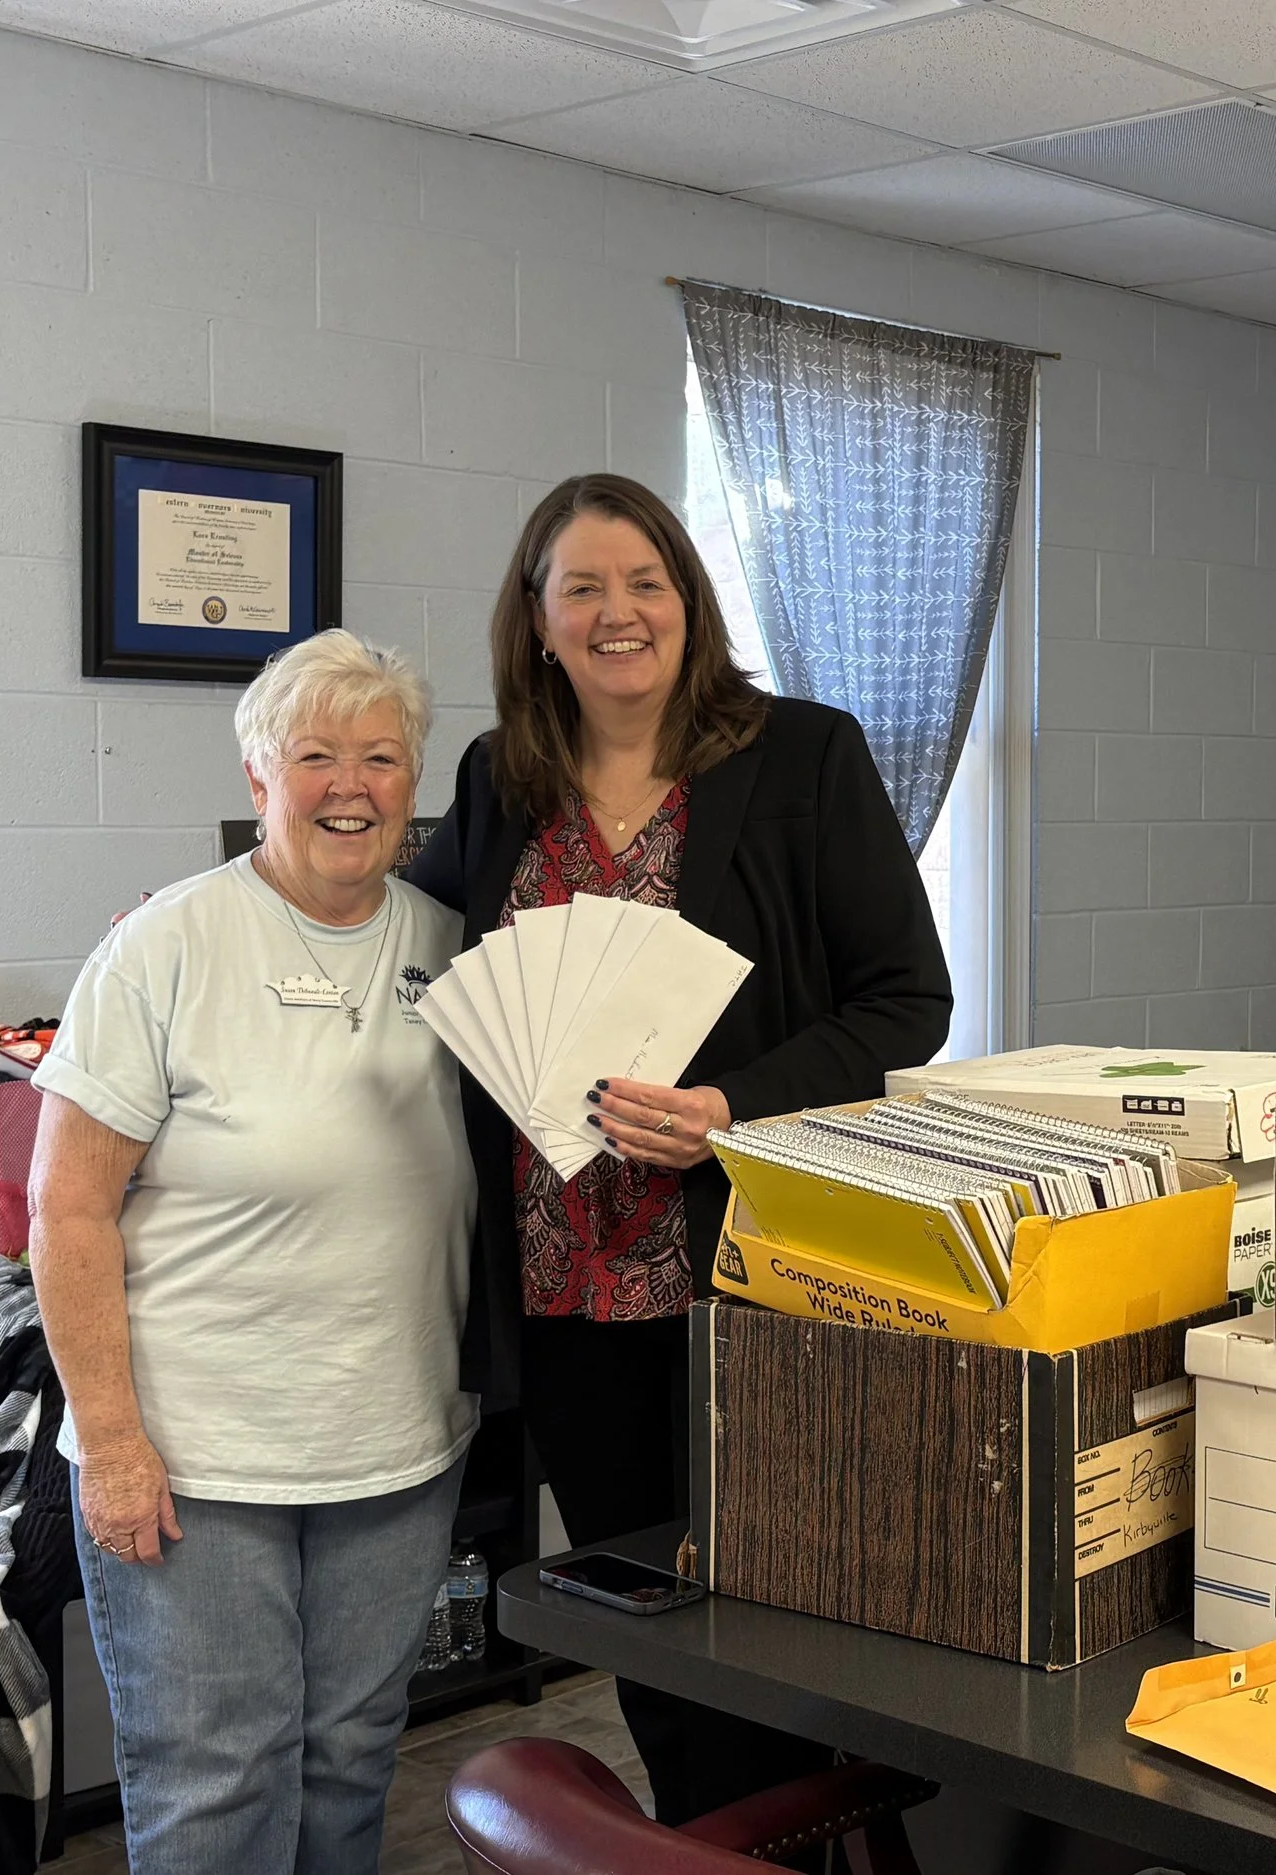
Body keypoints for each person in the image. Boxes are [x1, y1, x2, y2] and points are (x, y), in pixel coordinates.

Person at [407, 472, 950, 1819]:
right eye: (581, 587)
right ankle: (698, 1845)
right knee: (638, 1619)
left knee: (764, 1617)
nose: (617, 611)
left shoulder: (802, 757)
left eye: (645, 581)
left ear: (689, 605)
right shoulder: (499, 779)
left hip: (735, 1281)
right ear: (537, 620)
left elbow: (906, 1000)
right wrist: (229, 923)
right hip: (568, 1298)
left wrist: (733, 1106)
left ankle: (786, 1842)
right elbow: (406, 947)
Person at [29, 632, 475, 1875]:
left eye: (381, 757)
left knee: (349, 1758)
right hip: (195, 1459)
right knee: (214, 1784)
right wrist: (111, 1445)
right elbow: (66, 1209)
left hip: (393, 1444)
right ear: (256, 774)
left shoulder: (451, 946)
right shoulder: (163, 947)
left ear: (413, 777)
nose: (351, 784)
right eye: (315, 754)